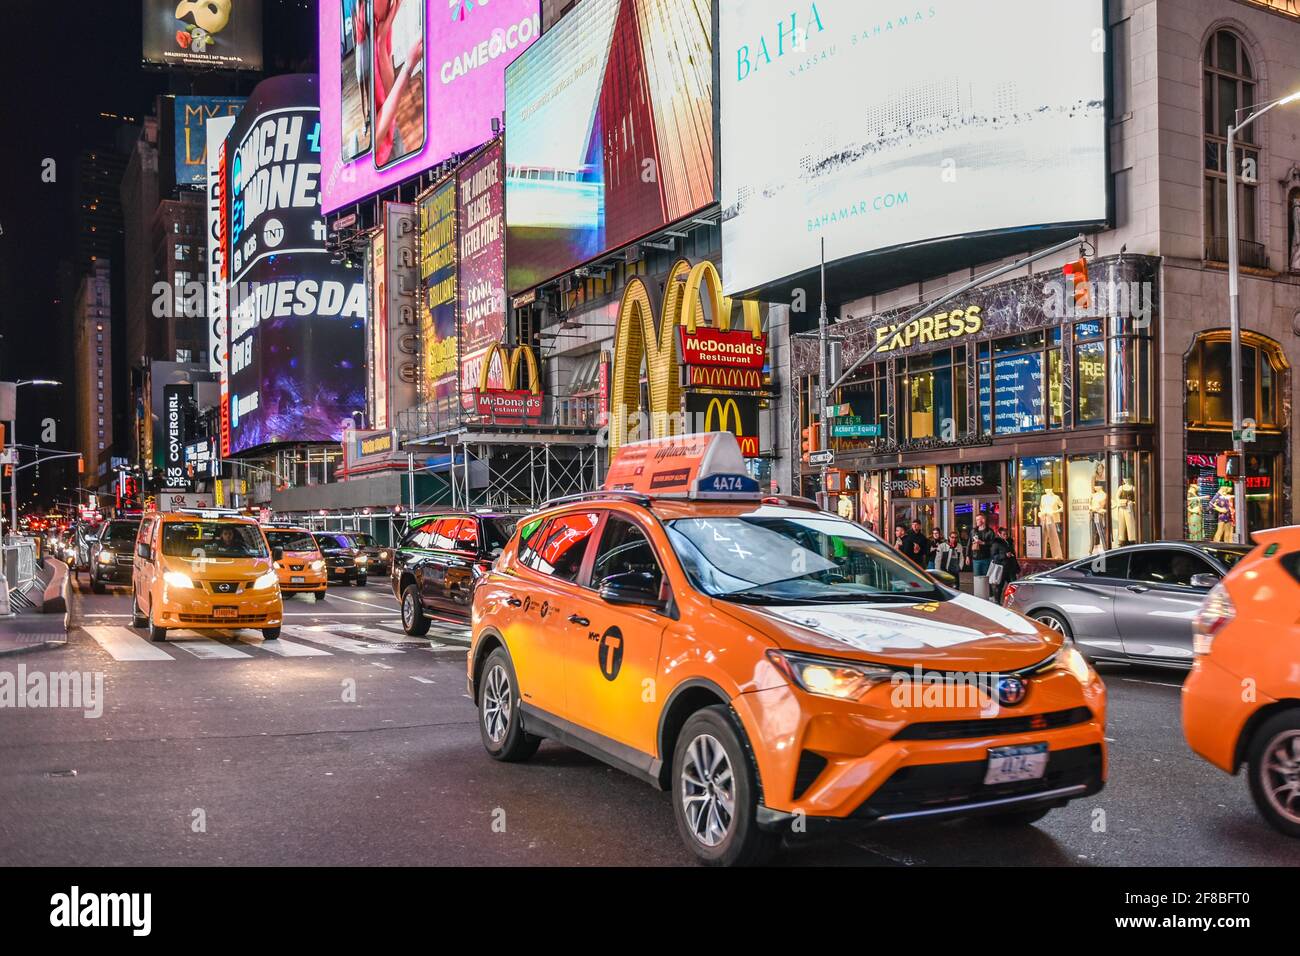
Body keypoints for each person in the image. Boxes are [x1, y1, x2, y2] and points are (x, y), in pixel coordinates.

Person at [969, 513, 995, 580]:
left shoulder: (990, 531)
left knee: (986, 578)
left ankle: (987, 591)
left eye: (978, 520)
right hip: (976, 559)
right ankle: (978, 591)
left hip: (986, 558)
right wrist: (967, 556)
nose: (976, 521)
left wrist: (982, 543)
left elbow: (993, 544)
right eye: (976, 520)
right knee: (977, 579)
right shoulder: (973, 531)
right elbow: (969, 544)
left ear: (983, 520)